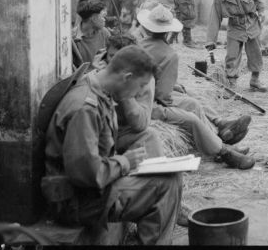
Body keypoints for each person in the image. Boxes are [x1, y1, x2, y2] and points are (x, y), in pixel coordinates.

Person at [43, 45, 183, 245]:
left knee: (170, 177)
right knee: (165, 184)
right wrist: (124, 162)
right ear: (127, 77)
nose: (140, 92)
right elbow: (87, 174)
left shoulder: (99, 90)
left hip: (90, 193)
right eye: (141, 86)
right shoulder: (85, 108)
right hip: (77, 201)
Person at [139, 4, 255, 169]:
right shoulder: (168, 54)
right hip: (147, 103)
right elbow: (163, 96)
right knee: (191, 114)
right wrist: (176, 93)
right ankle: (223, 151)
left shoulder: (139, 45)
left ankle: (221, 131)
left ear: (147, 27)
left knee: (191, 102)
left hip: (143, 94)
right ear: (168, 31)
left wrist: (176, 89)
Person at [205, 0, 268, 92]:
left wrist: (261, 11)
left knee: (255, 53)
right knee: (232, 56)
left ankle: (255, 80)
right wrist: (210, 40)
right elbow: (214, 18)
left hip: (251, 22)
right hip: (235, 26)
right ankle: (232, 83)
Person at [72, 0, 111, 69]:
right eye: (103, 17)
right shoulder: (74, 39)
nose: (105, 20)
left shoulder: (104, 32)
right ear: (93, 18)